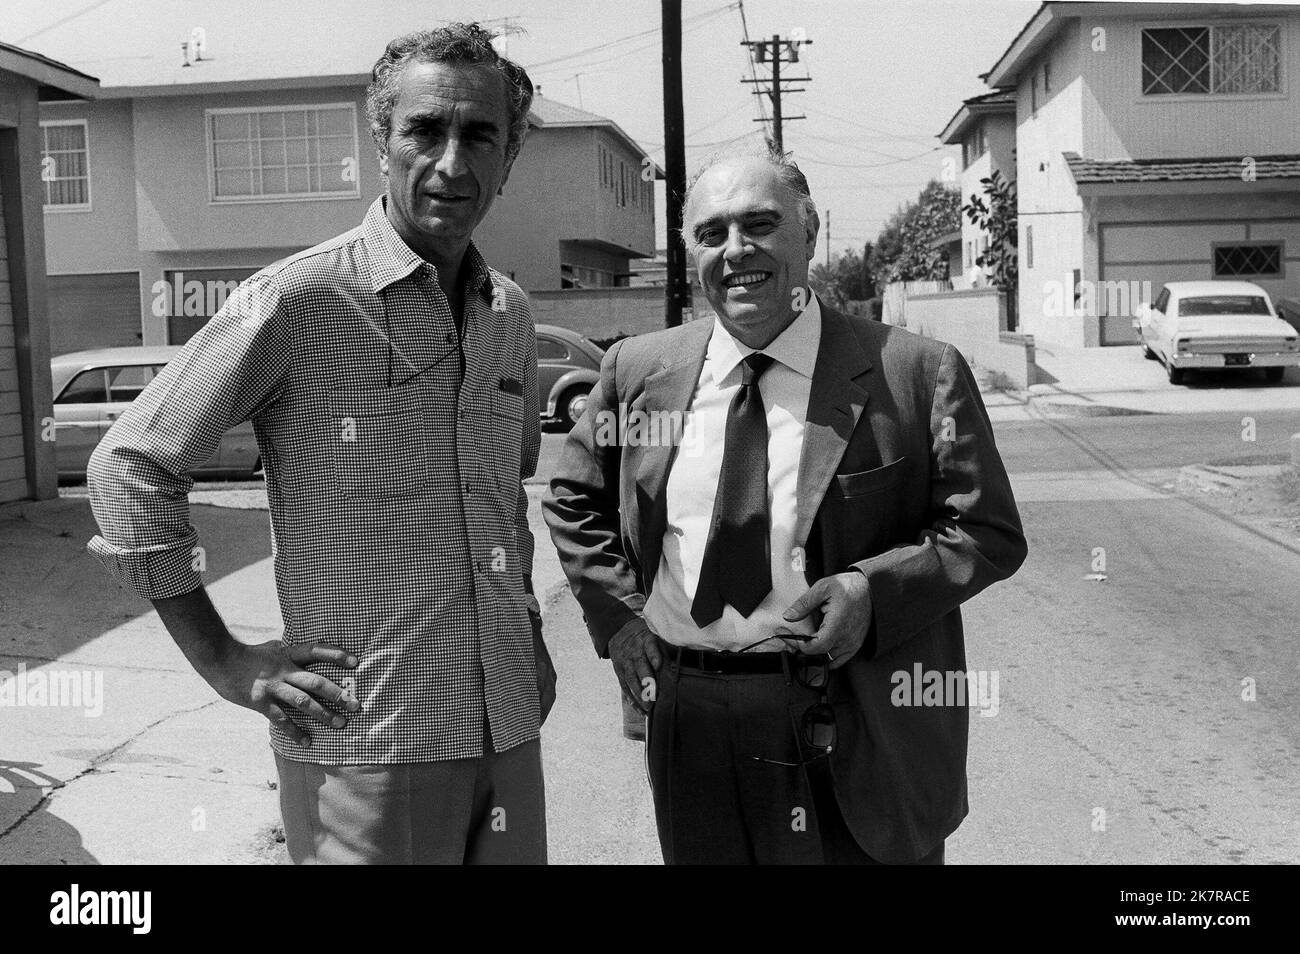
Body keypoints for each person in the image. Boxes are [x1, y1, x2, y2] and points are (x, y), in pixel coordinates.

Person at [86, 23, 554, 865]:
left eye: (479, 133)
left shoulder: (508, 315)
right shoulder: (298, 299)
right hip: (369, 743)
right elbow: (129, 467)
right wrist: (228, 660)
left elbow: (502, 506)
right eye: (424, 130)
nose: (452, 161)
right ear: (381, 140)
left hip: (509, 726)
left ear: (509, 154)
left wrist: (532, 641)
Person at [544, 146, 1027, 865]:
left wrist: (873, 590)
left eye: (761, 225)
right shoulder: (638, 371)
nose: (736, 251)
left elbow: (984, 529)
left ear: (810, 232)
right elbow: (574, 495)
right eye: (712, 234)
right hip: (694, 722)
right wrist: (617, 619)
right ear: (690, 252)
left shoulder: (917, 373)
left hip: (854, 720)